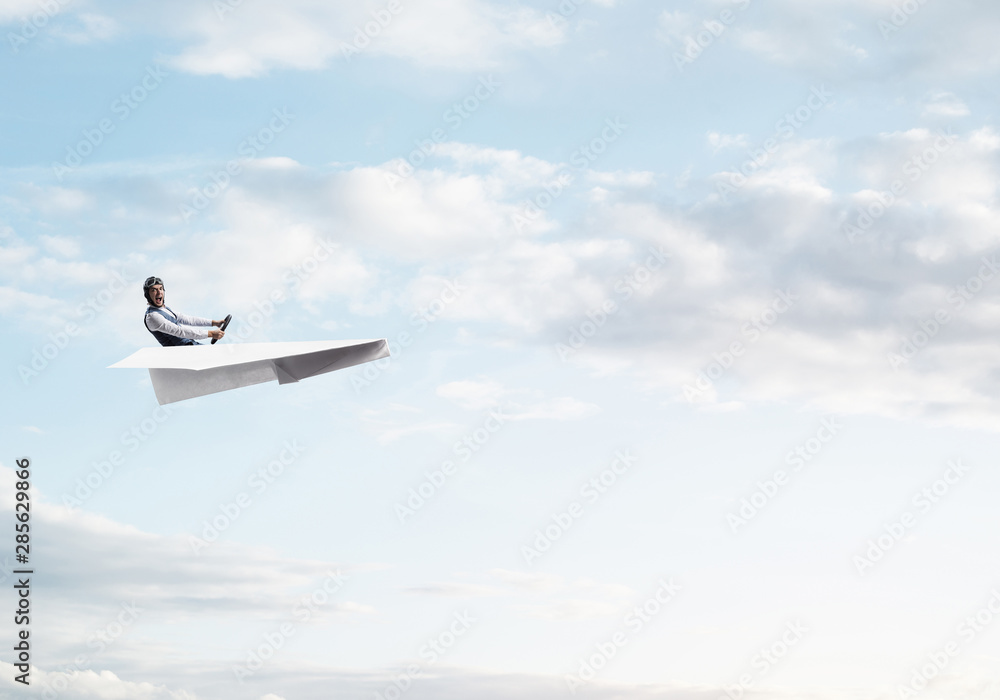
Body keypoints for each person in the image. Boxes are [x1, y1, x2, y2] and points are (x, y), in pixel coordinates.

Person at [142, 276, 228, 346]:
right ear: (148, 295)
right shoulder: (152, 317)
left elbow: (188, 319)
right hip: (182, 353)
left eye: (160, 289)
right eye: (154, 290)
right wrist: (211, 334)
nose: (159, 292)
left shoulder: (165, 309)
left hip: (189, 345)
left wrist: (214, 323)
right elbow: (180, 331)